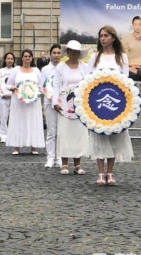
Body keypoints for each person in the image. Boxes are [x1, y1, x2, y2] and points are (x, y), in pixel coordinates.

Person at [88, 26, 134, 186]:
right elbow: (89, 80)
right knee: (99, 136)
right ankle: (100, 172)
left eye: (106, 35)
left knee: (114, 136)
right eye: (101, 35)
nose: (103, 38)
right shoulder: (94, 57)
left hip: (116, 102)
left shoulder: (122, 57)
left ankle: (110, 172)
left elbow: (126, 81)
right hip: (98, 103)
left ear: (113, 38)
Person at [52, 40, 90, 175]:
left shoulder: (85, 67)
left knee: (79, 134)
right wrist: (55, 101)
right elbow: (56, 85)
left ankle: (78, 164)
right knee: (65, 133)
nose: (74, 53)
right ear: (67, 52)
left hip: (80, 106)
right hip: (64, 105)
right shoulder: (60, 67)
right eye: (71, 50)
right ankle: (64, 164)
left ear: (79, 53)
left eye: (76, 51)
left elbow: (89, 84)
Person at [6, 49, 45, 155]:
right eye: (25, 56)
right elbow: (8, 85)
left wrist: (37, 91)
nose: (27, 58)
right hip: (18, 102)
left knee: (33, 121)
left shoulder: (36, 70)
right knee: (18, 121)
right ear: (22, 58)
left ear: (32, 58)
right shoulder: (16, 70)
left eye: (29, 56)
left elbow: (41, 86)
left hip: (33, 102)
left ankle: (34, 146)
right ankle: (16, 147)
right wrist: (13, 88)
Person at [40, 44, 62, 168]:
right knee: (51, 131)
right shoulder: (45, 70)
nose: (56, 55)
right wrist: (50, 96)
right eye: (54, 52)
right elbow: (42, 86)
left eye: (58, 53)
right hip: (49, 102)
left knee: (60, 132)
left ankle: (59, 157)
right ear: (50, 54)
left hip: (61, 104)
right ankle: (50, 157)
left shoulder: (64, 68)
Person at [0, 52, 16, 143]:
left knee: (13, 117)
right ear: (5, 60)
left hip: (13, 97)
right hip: (3, 97)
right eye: (8, 58)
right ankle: (3, 135)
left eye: (11, 59)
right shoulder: (0, 71)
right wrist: (2, 94)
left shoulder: (16, 71)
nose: (10, 60)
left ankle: (12, 134)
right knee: (3, 117)